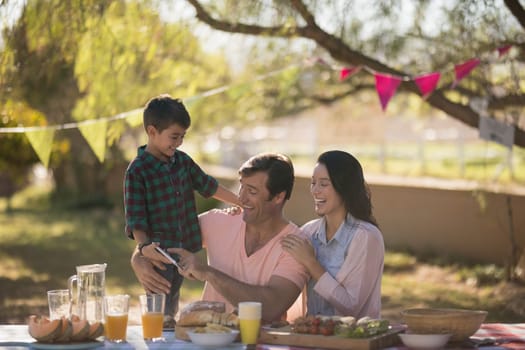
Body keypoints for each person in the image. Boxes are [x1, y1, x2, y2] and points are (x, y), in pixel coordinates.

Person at [130, 153, 309, 323]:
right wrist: (139, 256)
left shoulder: (296, 245)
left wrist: (208, 273)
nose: (241, 197)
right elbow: (164, 237)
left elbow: (271, 307)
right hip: (207, 340)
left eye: (252, 191)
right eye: (242, 186)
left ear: (278, 197)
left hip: (260, 344)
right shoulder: (220, 221)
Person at [123, 94, 240, 328]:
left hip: (184, 247)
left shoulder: (182, 162)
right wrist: (145, 248)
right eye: (174, 137)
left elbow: (208, 185)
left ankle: (168, 328)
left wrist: (238, 201)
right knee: (161, 297)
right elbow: (136, 217)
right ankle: (160, 334)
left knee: (174, 294)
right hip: (159, 253)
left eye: (182, 137)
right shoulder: (137, 171)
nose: (178, 143)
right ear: (152, 131)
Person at [281, 150, 384, 319]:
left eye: (324, 184)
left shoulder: (366, 237)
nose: (315, 191)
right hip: (311, 336)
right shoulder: (308, 231)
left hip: (352, 340)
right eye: (313, 183)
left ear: (344, 187)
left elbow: (351, 307)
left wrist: (311, 263)